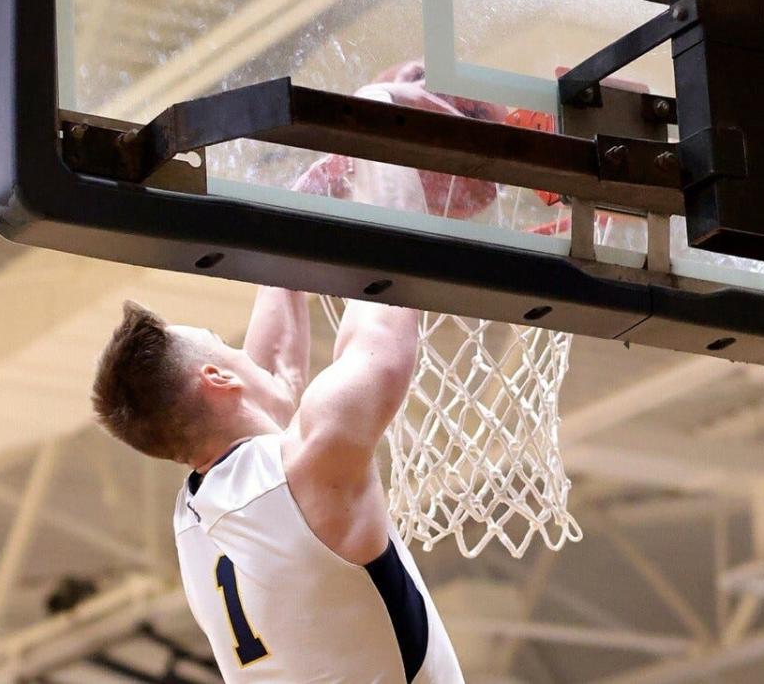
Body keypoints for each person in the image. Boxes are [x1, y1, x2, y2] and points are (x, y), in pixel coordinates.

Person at [90, 68, 502, 684]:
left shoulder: (203, 516)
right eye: (223, 348)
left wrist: (312, 193)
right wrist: (377, 123)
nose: (238, 351)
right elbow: (387, 310)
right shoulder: (311, 466)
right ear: (216, 379)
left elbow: (277, 379)